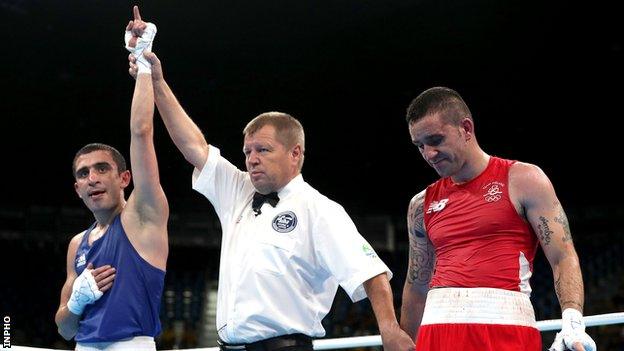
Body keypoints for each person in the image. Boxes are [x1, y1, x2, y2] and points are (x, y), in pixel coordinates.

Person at [125, 14, 414, 351]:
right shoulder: (238, 189)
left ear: (296, 154)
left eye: (263, 149)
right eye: (248, 150)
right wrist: (156, 78)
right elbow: (193, 147)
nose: (252, 158)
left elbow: (371, 273)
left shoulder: (319, 210)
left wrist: (390, 331)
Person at [400, 86, 596, 351]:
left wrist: (573, 320)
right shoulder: (420, 204)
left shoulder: (524, 180)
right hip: (436, 332)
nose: (428, 153)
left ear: (466, 129)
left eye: (435, 140)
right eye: (420, 145)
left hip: (504, 329)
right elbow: (417, 284)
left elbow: (563, 256)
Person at [54, 7, 168, 350]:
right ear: (77, 189)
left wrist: (142, 62)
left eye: (102, 169)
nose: (92, 179)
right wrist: (75, 303)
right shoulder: (77, 244)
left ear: (125, 178)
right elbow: (64, 328)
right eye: (83, 173)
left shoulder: (143, 217)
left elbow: (142, 132)